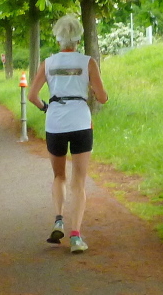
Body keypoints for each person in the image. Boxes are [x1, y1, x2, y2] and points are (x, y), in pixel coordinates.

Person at [27, 14, 108, 254]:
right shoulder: (88, 62)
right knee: (79, 181)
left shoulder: (48, 63)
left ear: (57, 38)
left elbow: (32, 96)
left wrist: (46, 108)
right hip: (81, 122)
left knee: (59, 176)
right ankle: (75, 236)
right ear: (79, 38)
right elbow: (102, 97)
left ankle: (58, 220)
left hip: (56, 123)